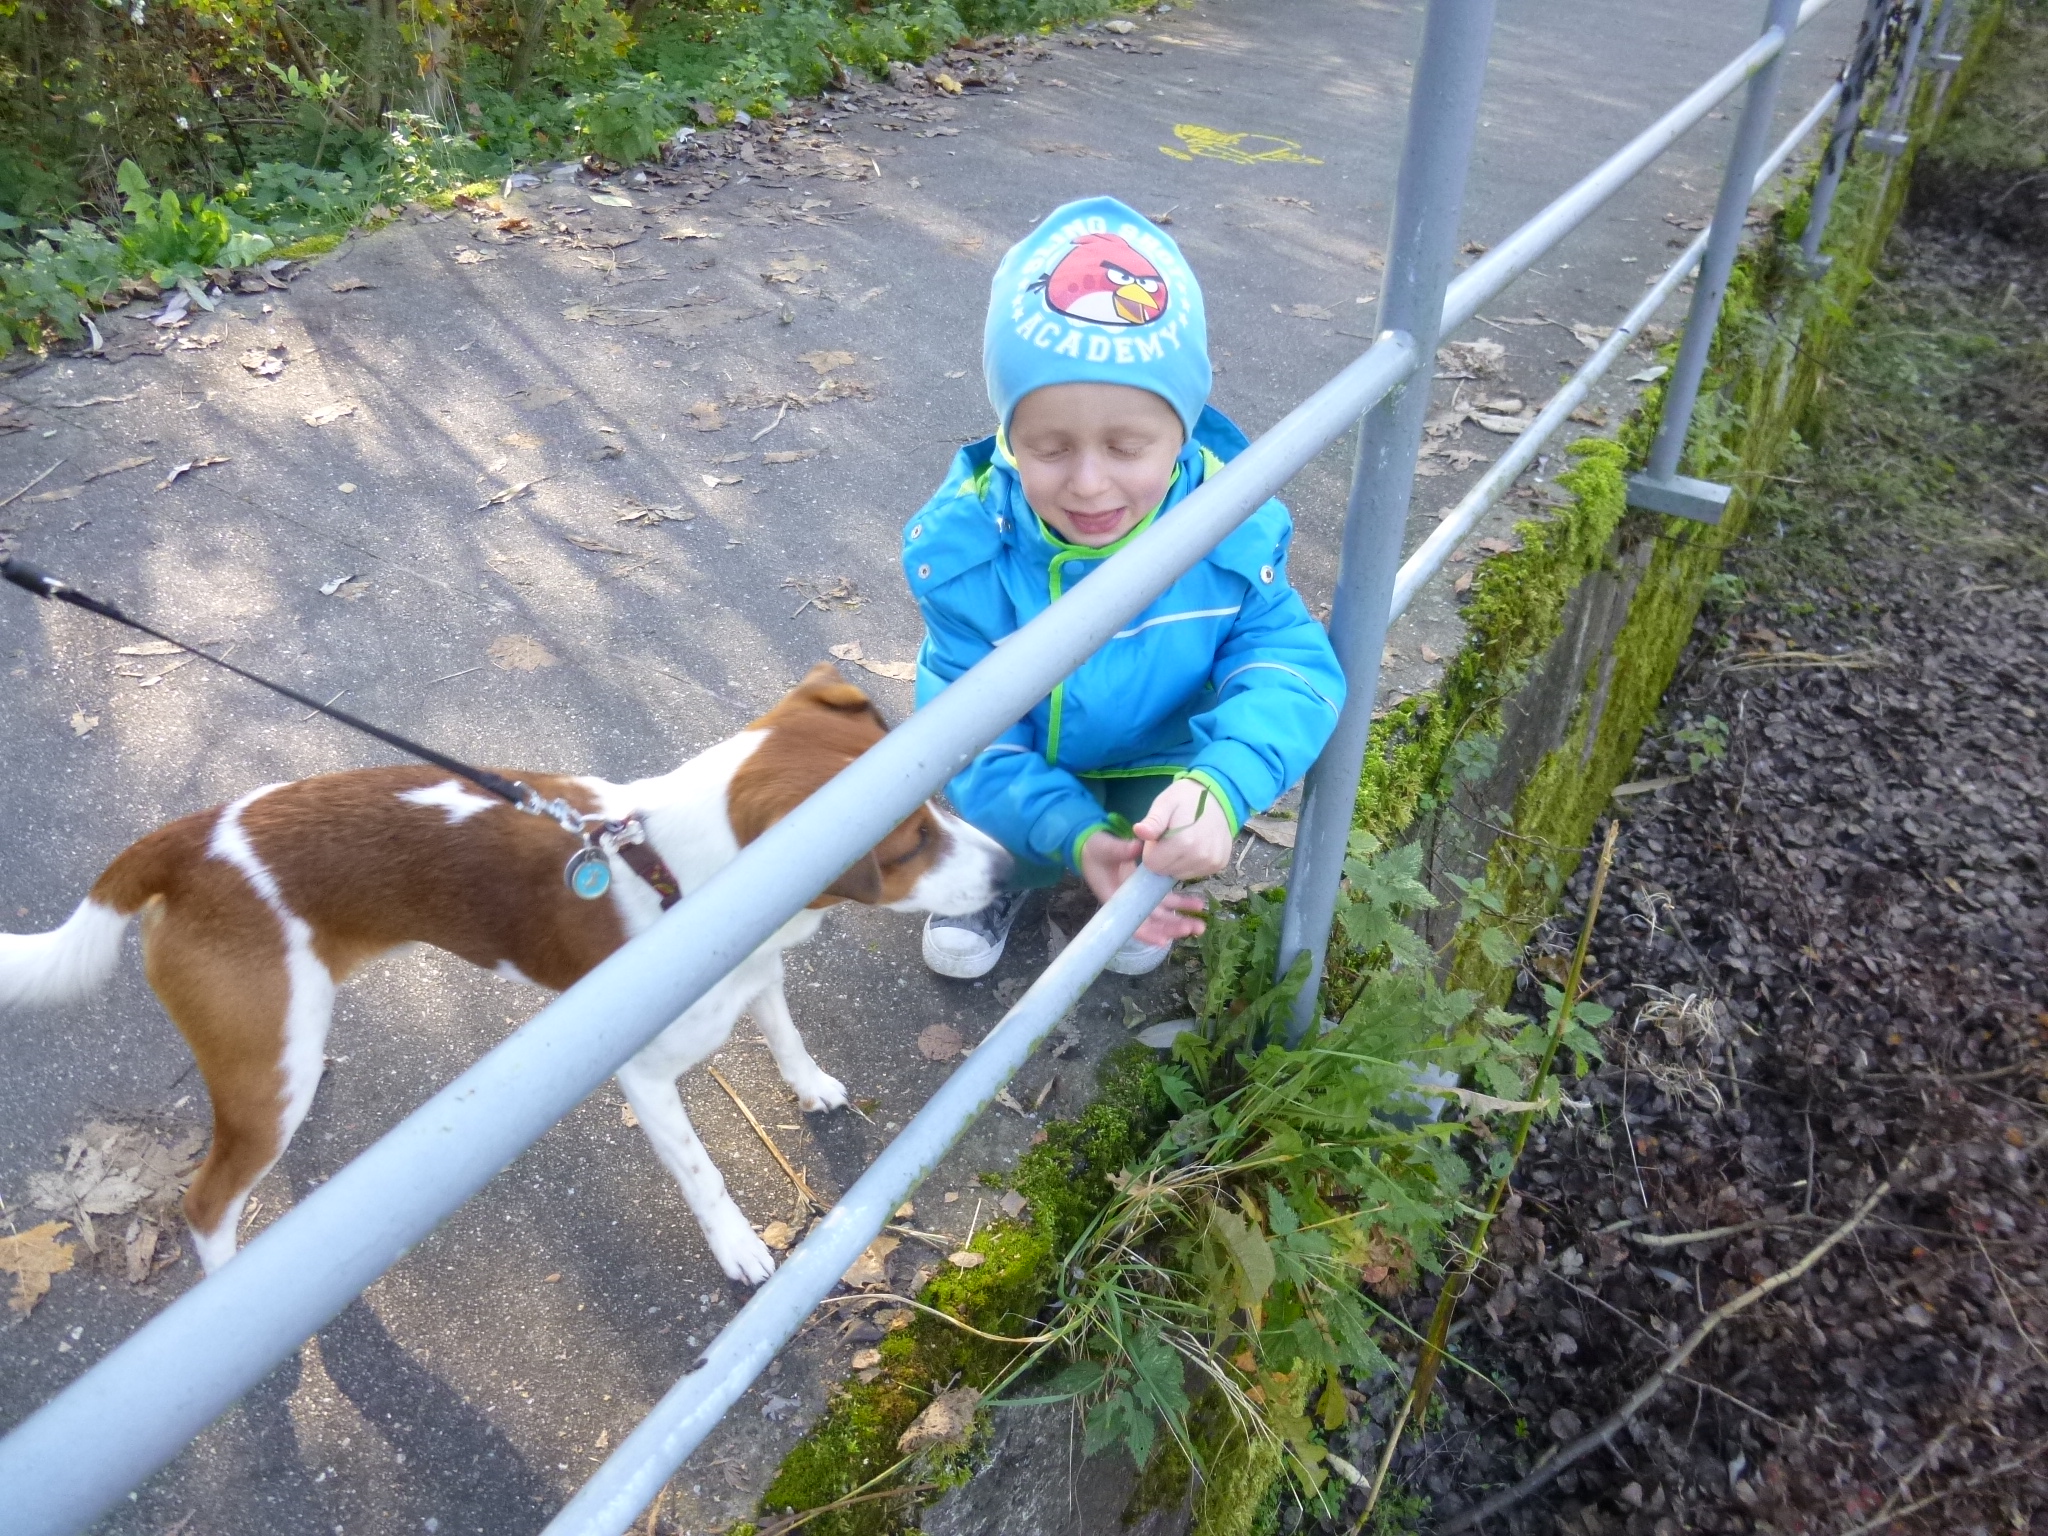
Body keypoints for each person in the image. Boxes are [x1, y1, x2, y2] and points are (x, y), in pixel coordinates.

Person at [903, 195, 1345, 980]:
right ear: (1008, 436)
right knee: (987, 800)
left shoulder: (1230, 531)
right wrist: (1071, 832)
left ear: (1184, 431)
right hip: (1024, 767)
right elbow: (966, 729)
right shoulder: (970, 555)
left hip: (1158, 762)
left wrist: (1223, 785)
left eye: (1128, 446)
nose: (1088, 482)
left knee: (1157, 824)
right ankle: (1009, 871)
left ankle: (1132, 873)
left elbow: (1287, 667)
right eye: (1048, 448)